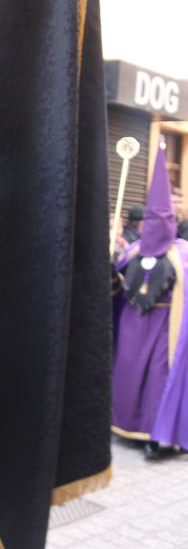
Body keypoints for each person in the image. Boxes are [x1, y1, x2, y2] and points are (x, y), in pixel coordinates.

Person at [112, 142, 188, 460]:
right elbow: (116, 281)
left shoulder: (182, 254)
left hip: (162, 327)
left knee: (158, 378)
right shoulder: (132, 250)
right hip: (133, 324)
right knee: (127, 372)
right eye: (152, 220)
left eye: (163, 220)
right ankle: (125, 425)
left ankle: (157, 435)